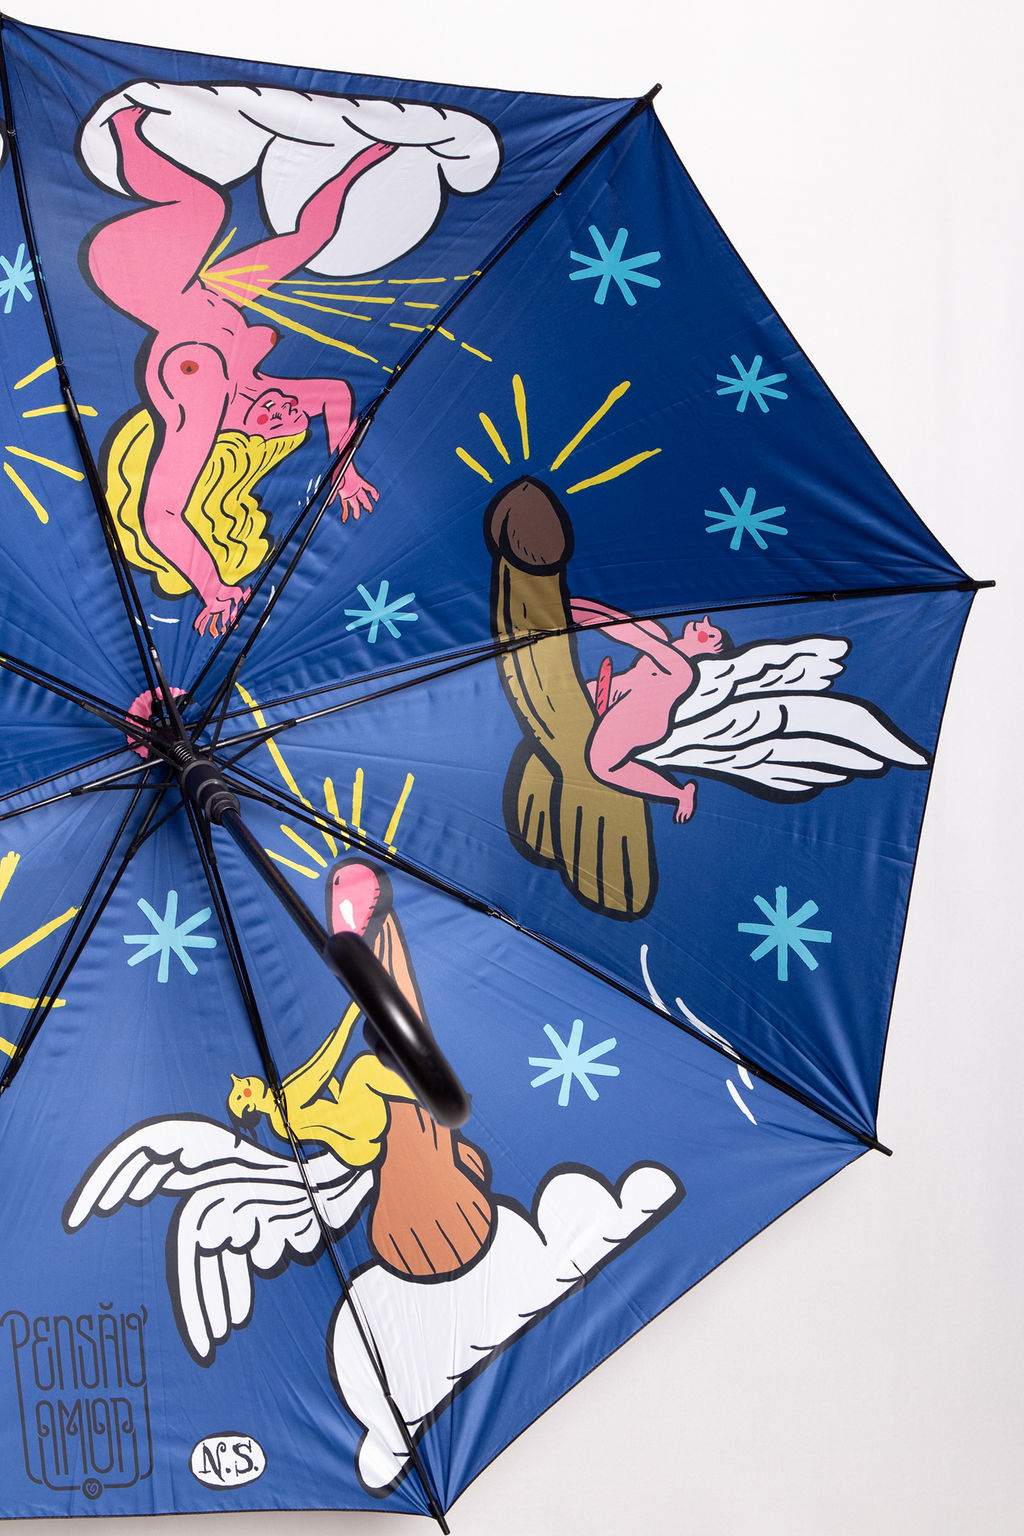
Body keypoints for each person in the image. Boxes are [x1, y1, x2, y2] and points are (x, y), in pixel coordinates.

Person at [86, 105, 385, 636]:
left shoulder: (199, 393)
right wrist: (343, 468)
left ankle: (124, 131)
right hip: (198, 286)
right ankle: (127, 133)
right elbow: (335, 394)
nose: (286, 405)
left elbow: (162, 514)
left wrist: (213, 587)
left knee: (205, 208)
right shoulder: (252, 378)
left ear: (247, 437)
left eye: (278, 421)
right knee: (303, 241)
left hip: (132, 271)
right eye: (293, 411)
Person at [227, 859, 495, 1279]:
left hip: (352, 1127)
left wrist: (353, 1017)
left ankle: (424, 1098)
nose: (246, 1085)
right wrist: (350, 1019)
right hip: (358, 1139)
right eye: (243, 1093)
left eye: (241, 1084)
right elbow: (322, 1066)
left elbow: (320, 1072)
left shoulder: (279, 1102)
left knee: (365, 1072)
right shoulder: (281, 1107)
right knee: (366, 1071)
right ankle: (422, 1100)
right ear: (249, 1107)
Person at [571, 598, 727, 823]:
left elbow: (633, 636)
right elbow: (625, 621)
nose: (704, 622)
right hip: (619, 693)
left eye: (710, 634)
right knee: (575, 695)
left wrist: (586, 617)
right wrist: (579, 606)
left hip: (642, 720)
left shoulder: (683, 670)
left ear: (711, 650)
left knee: (602, 766)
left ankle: (680, 793)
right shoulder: (661, 636)